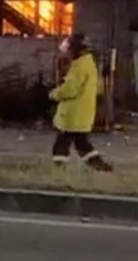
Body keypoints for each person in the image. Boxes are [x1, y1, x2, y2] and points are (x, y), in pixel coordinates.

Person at [49, 32, 113, 172]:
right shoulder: (88, 64)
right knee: (82, 144)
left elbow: (71, 89)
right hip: (82, 114)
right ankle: (101, 167)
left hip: (72, 115)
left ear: (77, 50)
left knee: (61, 145)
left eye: (70, 50)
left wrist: (55, 94)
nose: (68, 53)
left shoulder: (79, 67)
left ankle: (59, 170)